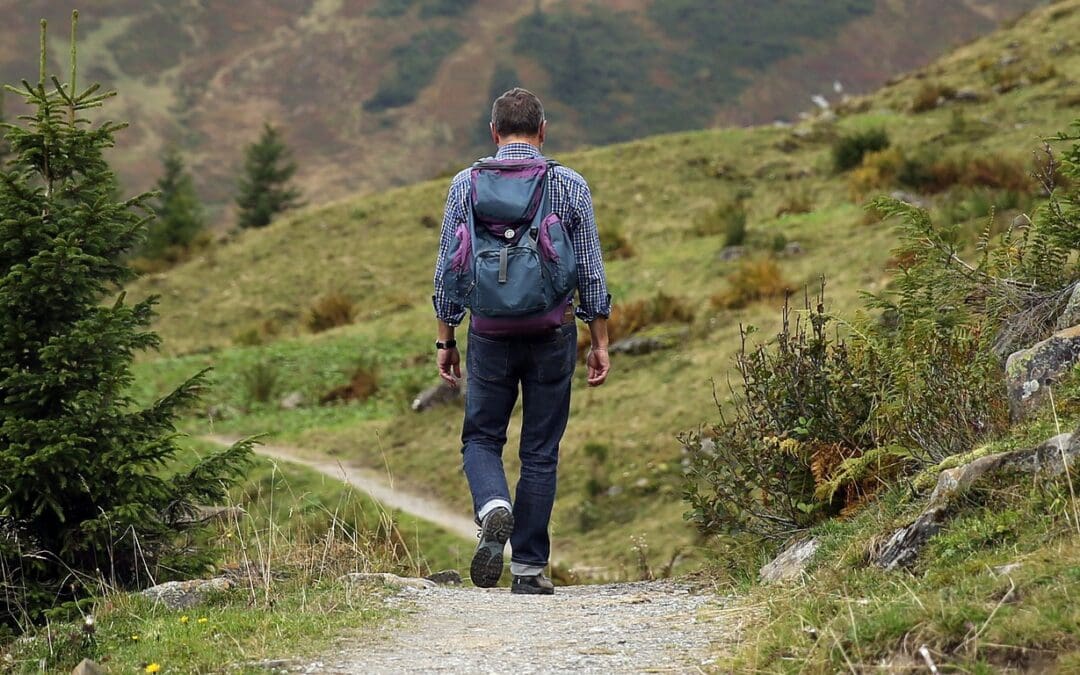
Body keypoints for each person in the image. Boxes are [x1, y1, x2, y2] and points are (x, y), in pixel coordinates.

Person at [431, 88, 611, 595]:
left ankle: (493, 506)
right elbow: (592, 271)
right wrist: (599, 340)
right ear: (542, 130)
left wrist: (446, 337)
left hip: (488, 332)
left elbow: (449, 266)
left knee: (482, 438)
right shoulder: (568, 184)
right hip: (552, 331)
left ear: (493, 132)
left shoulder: (465, 184)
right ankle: (529, 569)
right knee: (540, 450)